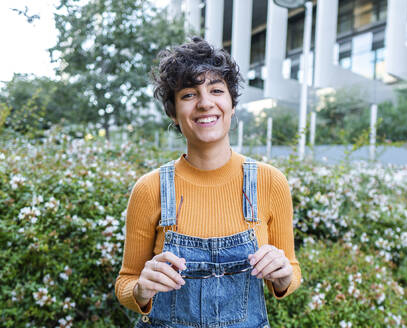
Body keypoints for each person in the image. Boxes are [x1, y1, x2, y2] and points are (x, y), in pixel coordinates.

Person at [115, 37, 301, 328]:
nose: (205, 103)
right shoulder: (150, 189)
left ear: (231, 103)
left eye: (216, 90)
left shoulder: (270, 182)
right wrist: (140, 289)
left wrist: (283, 276)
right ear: (173, 113)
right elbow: (126, 282)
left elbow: (291, 272)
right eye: (189, 94)